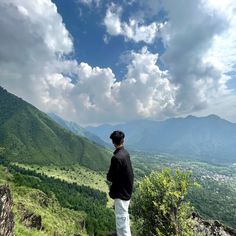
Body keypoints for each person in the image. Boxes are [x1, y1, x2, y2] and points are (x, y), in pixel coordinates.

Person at [107, 130, 134, 236]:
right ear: (123, 141)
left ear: (113, 142)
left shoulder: (116, 158)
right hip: (127, 192)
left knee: (121, 223)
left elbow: (110, 177)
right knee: (124, 219)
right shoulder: (126, 153)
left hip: (121, 194)